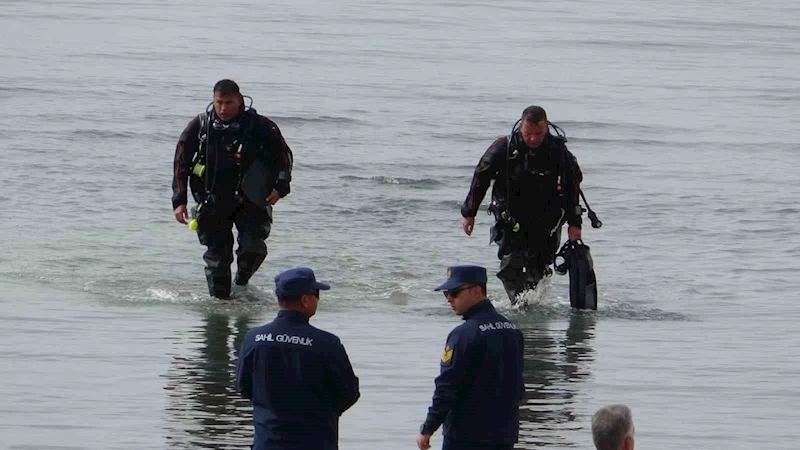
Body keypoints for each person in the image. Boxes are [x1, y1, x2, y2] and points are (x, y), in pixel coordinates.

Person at [172, 79, 293, 299]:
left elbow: (283, 157)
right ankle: (220, 302)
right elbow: (180, 162)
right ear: (213, 100)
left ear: (240, 100)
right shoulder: (200, 126)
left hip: (251, 199)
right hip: (211, 201)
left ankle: (241, 283)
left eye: (229, 102)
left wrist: (280, 188)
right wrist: (179, 200)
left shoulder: (260, 126)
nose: (223, 108)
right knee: (217, 257)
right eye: (219, 102)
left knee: (253, 249)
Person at [460, 106, 584, 302]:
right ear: (520, 129)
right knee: (511, 267)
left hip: (547, 222)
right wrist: (469, 212)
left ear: (547, 128)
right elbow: (481, 177)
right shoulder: (505, 147)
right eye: (528, 134)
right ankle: (518, 306)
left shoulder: (558, 150)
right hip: (511, 220)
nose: (533, 139)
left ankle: (533, 313)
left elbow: (573, 187)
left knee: (540, 270)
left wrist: (575, 223)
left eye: (539, 134)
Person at [235, 267, 360, 450]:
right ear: (305, 300)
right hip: (315, 441)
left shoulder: (254, 338)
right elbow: (349, 393)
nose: (318, 299)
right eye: (316, 294)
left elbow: (243, 386)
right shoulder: (327, 343)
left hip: (268, 442)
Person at [416, 265, 525, 450]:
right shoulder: (512, 330)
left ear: (476, 291)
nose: (449, 299)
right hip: (504, 435)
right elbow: (518, 387)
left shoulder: (463, 335)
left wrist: (427, 428)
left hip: (466, 437)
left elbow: (447, 387)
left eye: (455, 292)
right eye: (446, 294)